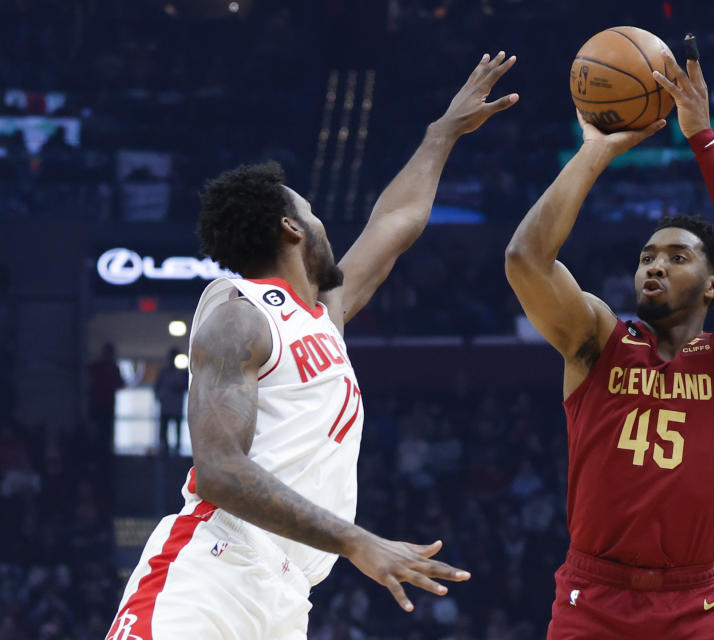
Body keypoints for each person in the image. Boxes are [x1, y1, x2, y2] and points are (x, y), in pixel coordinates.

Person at [106, 51, 518, 639]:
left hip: (287, 594)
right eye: (312, 209)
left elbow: (395, 221)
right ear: (292, 228)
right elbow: (220, 470)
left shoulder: (325, 315)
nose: (324, 221)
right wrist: (356, 541)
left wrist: (441, 133)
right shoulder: (237, 312)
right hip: (210, 574)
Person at [505, 36, 714, 639]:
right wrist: (594, 151)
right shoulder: (597, 339)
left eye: (676, 257)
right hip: (592, 597)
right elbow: (526, 259)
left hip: (693, 606)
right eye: (646, 256)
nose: (653, 266)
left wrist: (702, 138)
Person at [153, 348, 188, 456]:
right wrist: (160, 396)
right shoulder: (164, 372)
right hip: (166, 405)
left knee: (176, 428)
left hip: (176, 405)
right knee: (164, 428)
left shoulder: (182, 373)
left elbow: (186, 386)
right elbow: (157, 387)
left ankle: (177, 447)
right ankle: (164, 447)